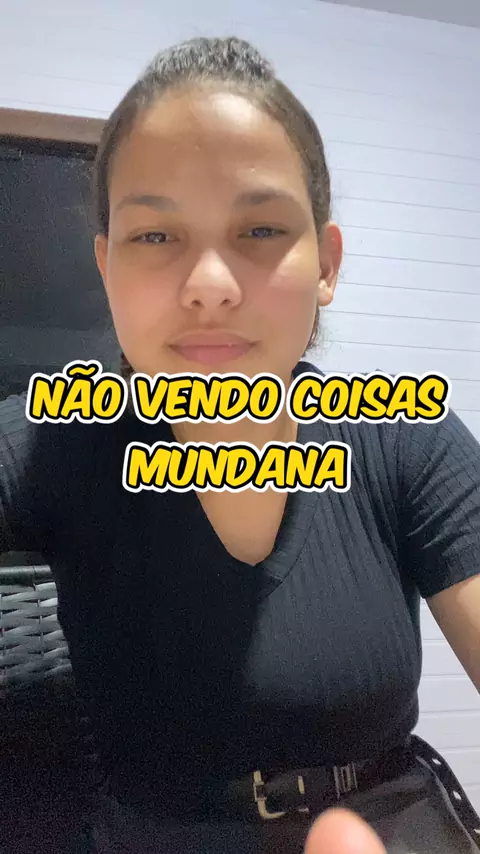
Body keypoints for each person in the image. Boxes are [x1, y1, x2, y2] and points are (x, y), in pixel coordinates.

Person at [1, 35, 479, 854]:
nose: (210, 287)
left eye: (260, 228)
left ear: (326, 264)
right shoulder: (52, 440)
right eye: (156, 237)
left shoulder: (406, 438)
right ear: (107, 267)